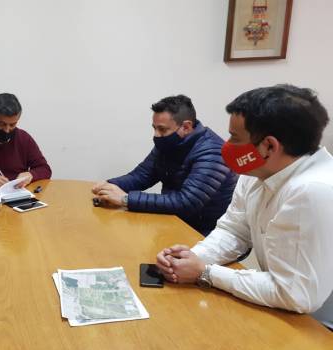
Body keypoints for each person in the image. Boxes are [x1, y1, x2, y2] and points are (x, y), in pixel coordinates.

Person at [155, 85, 333, 329]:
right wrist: (192, 258)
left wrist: (205, 273)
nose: (226, 145)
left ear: (269, 146)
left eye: (235, 138)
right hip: (281, 308)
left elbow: (295, 294)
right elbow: (234, 230)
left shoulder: (313, 190)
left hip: (315, 326)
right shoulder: (256, 172)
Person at [92, 95, 237, 236]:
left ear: (186, 127)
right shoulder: (169, 142)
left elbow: (186, 202)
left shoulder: (214, 153)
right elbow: (141, 176)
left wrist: (126, 199)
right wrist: (107, 186)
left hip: (208, 235)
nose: (156, 135)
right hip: (174, 222)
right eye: (154, 128)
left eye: (162, 129)